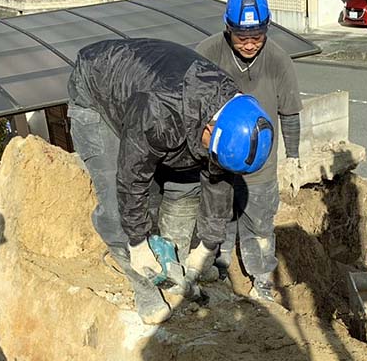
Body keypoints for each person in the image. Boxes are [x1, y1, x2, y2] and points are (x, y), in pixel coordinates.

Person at [67, 37, 275, 323]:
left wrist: (207, 246)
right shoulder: (159, 113)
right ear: (210, 125)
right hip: (97, 94)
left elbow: (218, 175)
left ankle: (173, 264)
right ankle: (144, 285)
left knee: (186, 182)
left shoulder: (234, 113)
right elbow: (131, 180)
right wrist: (138, 243)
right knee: (118, 209)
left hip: (147, 94)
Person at [198, 0, 304, 301]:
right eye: (241, 37)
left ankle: (261, 279)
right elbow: (188, 101)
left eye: (256, 37)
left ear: (266, 29)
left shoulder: (277, 60)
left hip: (261, 167)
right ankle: (220, 270)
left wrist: (294, 158)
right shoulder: (208, 54)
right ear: (228, 29)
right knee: (220, 220)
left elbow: (290, 113)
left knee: (259, 226)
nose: (248, 44)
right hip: (218, 162)